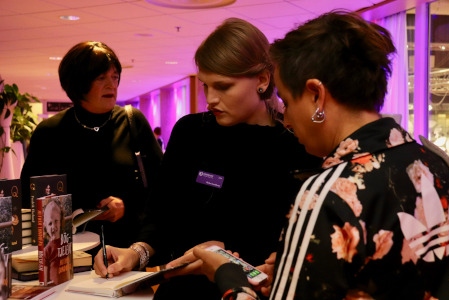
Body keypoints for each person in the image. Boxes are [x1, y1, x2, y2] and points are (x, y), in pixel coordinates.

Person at [166, 10, 449, 300]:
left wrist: (226, 274)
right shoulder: (432, 164)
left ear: (316, 94)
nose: (286, 119)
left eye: (288, 102)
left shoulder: (328, 192)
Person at [93, 18, 322, 300]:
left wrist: (220, 257)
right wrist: (136, 252)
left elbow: (286, 248)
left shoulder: (294, 149)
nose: (211, 99)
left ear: (262, 80)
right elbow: (161, 216)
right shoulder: (190, 132)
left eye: (223, 87)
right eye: (205, 86)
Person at [20, 41, 163, 254]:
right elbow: (28, 197)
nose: (111, 85)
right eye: (101, 78)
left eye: (115, 77)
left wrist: (126, 206)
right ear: (78, 83)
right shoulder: (50, 132)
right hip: (66, 253)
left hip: (125, 249)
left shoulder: (132, 122)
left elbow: (162, 186)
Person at [42, 199, 68, 285]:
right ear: (45, 227)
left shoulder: (65, 243)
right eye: (50, 223)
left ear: (60, 221)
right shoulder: (47, 250)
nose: (53, 226)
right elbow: (45, 280)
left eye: (56, 221)